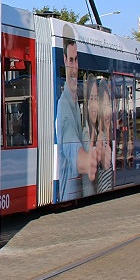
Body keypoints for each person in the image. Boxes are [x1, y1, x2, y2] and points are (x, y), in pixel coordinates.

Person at [55, 27, 96, 201]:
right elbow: (73, 149)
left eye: (76, 60)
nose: (74, 67)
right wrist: (90, 159)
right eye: (70, 60)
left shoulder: (76, 103)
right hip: (66, 194)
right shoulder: (64, 105)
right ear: (64, 60)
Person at [86, 77, 114, 194]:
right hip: (103, 189)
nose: (108, 111)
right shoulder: (101, 137)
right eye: (104, 106)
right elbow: (105, 163)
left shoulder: (108, 133)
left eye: (109, 105)